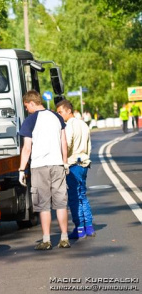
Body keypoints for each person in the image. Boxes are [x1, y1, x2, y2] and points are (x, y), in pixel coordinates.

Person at [18, 90, 70, 250]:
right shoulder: (57, 117)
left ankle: (46, 240)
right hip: (57, 164)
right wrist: (65, 162)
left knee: (44, 205)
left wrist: (21, 169)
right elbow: (64, 142)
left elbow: (27, 148)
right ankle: (64, 238)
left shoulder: (30, 120)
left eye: (27, 106)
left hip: (39, 166)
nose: (27, 109)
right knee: (61, 203)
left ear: (32, 103)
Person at [56, 100, 95, 239]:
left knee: (73, 197)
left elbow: (68, 144)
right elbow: (89, 145)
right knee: (82, 195)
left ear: (68, 111)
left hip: (73, 164)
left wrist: (63, 159)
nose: (59, 115)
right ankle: (89, 227)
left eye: (60, 112)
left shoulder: (68, 126)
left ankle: (79, 228)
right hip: (84, 162)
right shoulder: (83, 124)